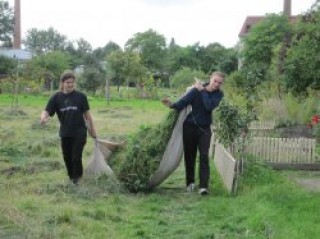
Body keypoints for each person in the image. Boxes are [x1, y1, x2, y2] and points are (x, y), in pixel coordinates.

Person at [162, 71, 225, 195]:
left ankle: (203, 187)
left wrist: (202, 90)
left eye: (220, 83)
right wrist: (171, 104)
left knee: (204, 156)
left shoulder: (218, 94)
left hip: (205, 129)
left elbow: (208, 106)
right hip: (189, 127)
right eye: (215, 81)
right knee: (190, 156)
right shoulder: (195, 90)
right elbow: (183, 102)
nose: (217, 84)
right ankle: (190, 183)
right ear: (211, 78)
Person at [40, 71, 97, 184]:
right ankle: (72, 178)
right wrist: (43, 117)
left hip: (79, 132)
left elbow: (88, 116)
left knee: (76, 157)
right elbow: (46, 110)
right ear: (62, 83)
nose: (70, 85)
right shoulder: (56, 98)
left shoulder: (81, 97)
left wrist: (92, 131)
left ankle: (78, 179)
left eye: (72, 82)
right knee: (67, 157)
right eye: (67, 82)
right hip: (65, 133)